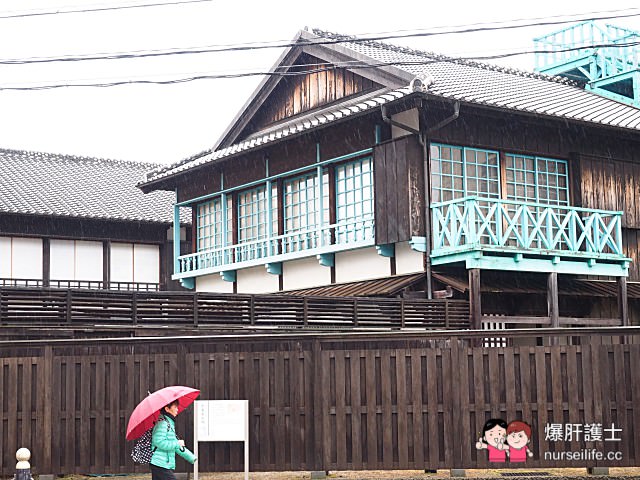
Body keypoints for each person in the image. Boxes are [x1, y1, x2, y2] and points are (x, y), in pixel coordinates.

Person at [150, 400, 197, 480]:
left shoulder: (168, 422)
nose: (177, 409)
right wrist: (177, 443)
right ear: (167, 409)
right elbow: (158, 441)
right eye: (175, 407)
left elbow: (175, 446)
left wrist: (191, 457)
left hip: (162, 463)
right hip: (160, 463)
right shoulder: (163, 423)